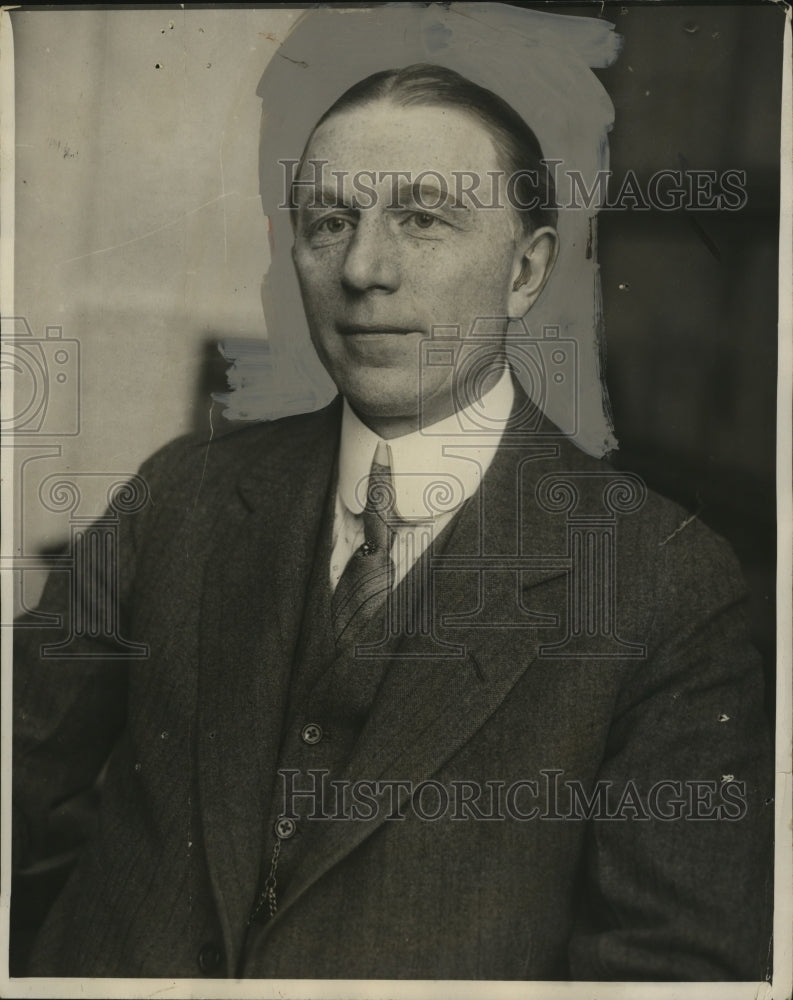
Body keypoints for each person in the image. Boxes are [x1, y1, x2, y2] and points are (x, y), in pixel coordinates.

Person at [12, 64, 773, 981]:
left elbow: (669, 969)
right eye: (329, 222)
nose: (364, 270)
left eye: (423, 217)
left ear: (525, 270)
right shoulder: (181, 492)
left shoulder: (666, 583)